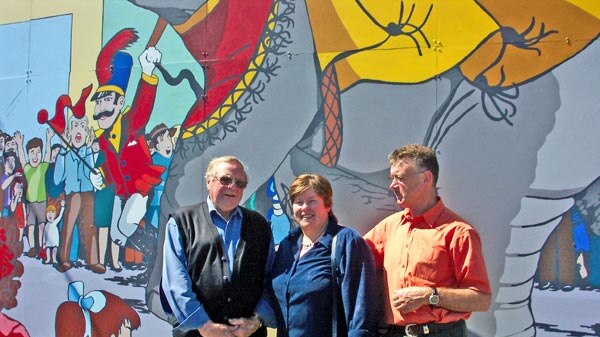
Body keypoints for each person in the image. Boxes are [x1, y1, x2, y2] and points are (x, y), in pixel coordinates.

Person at [363, 144, 492, 337]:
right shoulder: (390, 227)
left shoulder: (458, 232)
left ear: (426, 178)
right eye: (392, 178)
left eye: (400, 177)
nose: (392, 185)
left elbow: (481, 299)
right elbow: (351, 256)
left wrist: (429, 296)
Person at [161, 156, 274, 337]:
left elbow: (270, 278)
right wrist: (203, 325)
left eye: (240, 183)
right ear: (208, 181)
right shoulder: (182, 222)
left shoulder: (260, 225)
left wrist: (257, 319)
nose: (232, 187)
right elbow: (175, 279)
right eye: (225, 179)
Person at [269, 173, 379, 337]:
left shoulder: (346, 242)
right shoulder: (287, 245)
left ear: (327, 205)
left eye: (312, 201)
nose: (305, 207)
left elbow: (361, 306)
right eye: (298, 202)